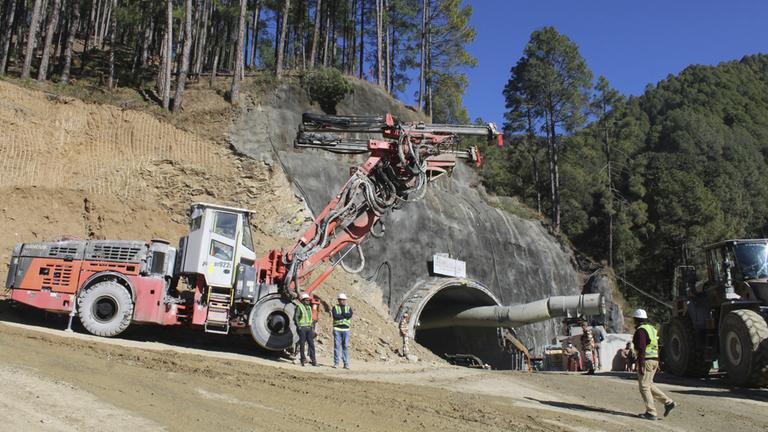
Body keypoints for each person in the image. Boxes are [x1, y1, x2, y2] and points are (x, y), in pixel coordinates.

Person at [632, 309, 676, 420]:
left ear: (636, 319)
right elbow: (659, 345)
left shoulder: (640, 331)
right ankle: (669, 402)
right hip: (654, 360)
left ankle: (651, 412)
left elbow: (641, 347)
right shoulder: (651, 328)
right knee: (649, 384)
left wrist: (640, 363)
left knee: (644, 387)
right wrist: (658, 361)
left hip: (646, 360)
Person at [293, 293, 317, 367]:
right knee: (302, 345)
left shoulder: (309, 307)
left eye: (308, 300)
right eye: (306, 300)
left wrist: (312, 326)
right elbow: (296, 317)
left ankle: (314, 361)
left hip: (309, 328)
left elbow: (310, 318)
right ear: (302, 301)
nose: (308, 301)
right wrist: (299, 326)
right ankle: (302, 360)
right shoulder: (299, 307)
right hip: (302, 328)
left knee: (311, 344)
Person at [332, 293, 353, 369]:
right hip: (337, 329)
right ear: (338, 300)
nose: (342, 301)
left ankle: (346, 363)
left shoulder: (348, 308)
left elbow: (349, 315)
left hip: (346, 330)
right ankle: (336, 363)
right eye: (341, 300)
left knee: (345, 347)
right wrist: (345, 315)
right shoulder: (335, 307)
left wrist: (342, 314)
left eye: (344, 300)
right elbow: (335, 316)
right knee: (336, 346)